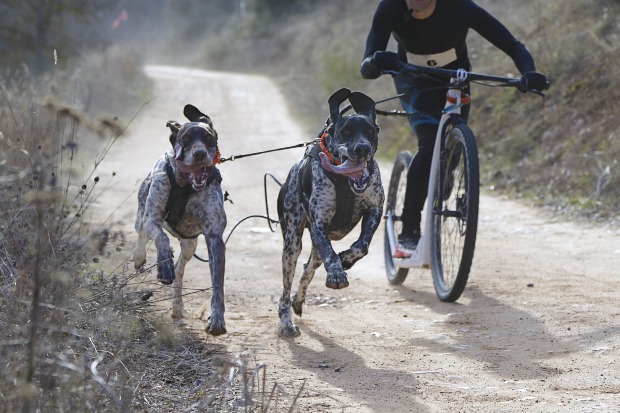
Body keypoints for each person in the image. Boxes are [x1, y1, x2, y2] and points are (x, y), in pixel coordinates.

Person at [360, 0, 548, 250]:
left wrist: (529, 72)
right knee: (429, 145)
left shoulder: (459, 6)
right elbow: (367, 65)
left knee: (454, 144)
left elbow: (511, 44)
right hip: (412, 80)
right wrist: (375, 62)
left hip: (456, 77)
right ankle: (409, 227)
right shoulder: (391, 7)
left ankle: (446, 172)